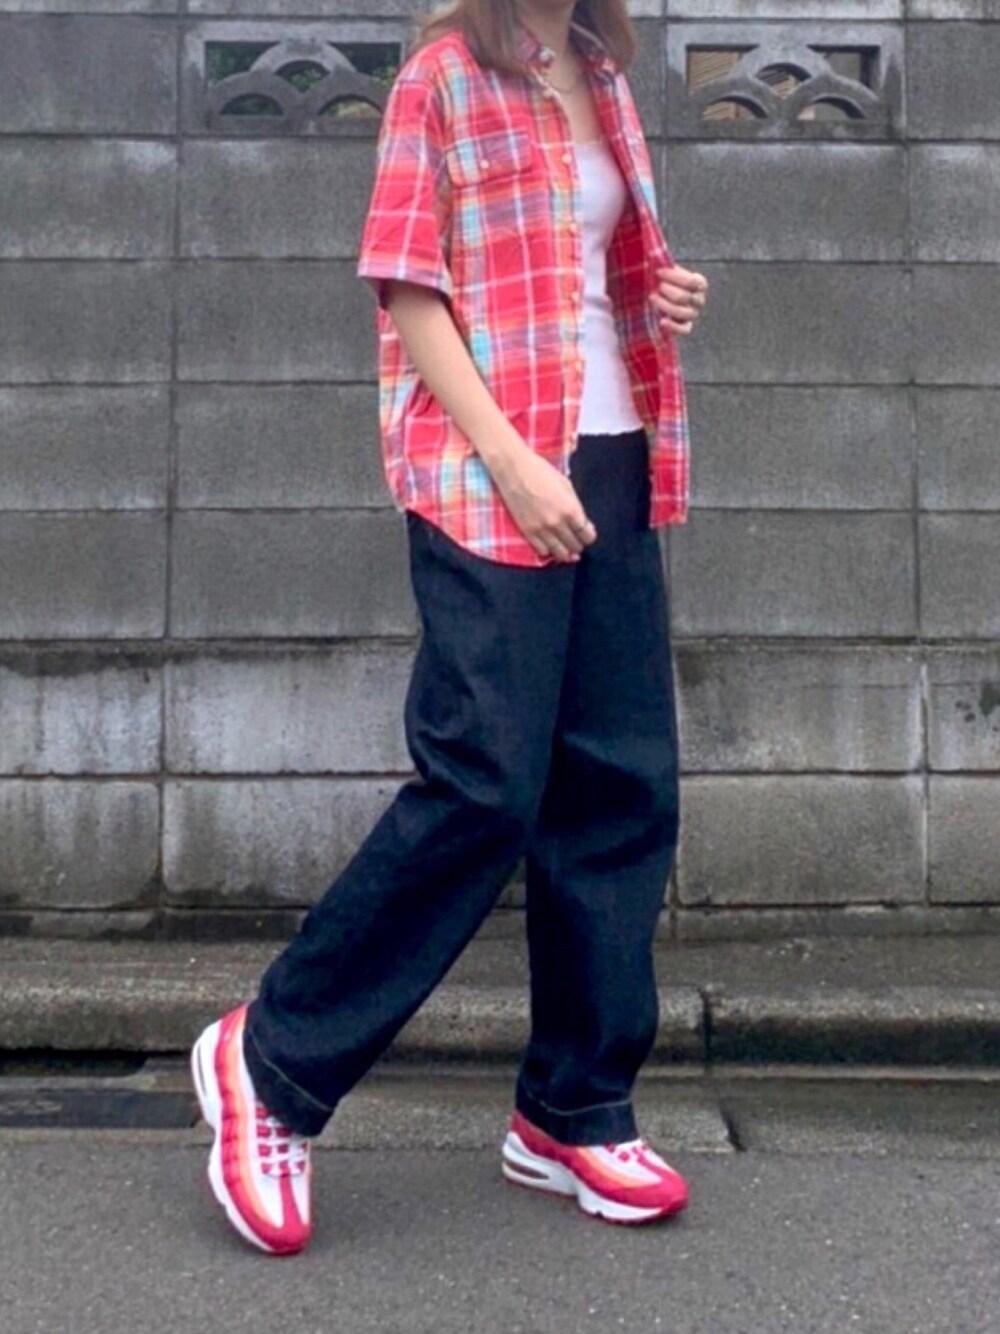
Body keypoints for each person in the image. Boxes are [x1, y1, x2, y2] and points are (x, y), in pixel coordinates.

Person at [190, 0, 709, 1256]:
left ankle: (571, 1107)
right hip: (492, 473)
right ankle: (271, 1059)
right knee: (483, 781)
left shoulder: (600, 73)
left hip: (615, 452)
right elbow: (407, 288)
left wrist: (662, 290)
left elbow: (581, 270)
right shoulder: (439, 78)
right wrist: (515, 460)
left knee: (620, 785)